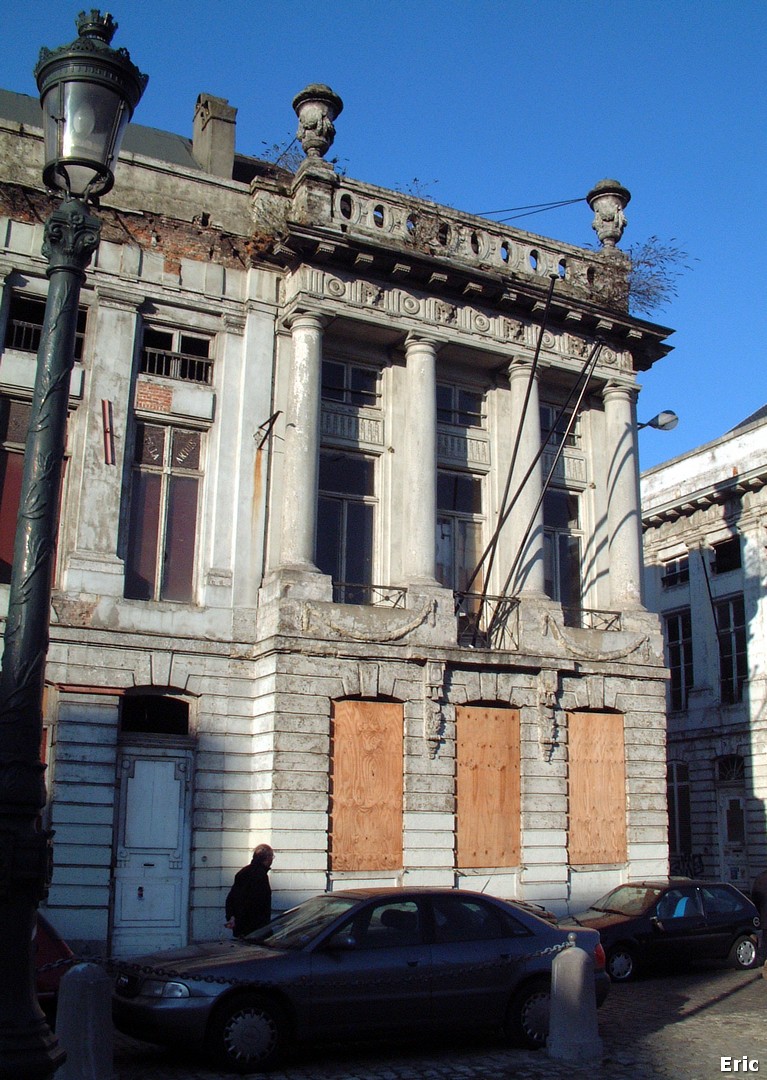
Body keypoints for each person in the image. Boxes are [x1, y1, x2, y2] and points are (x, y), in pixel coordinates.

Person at [225, 844, 274, 937]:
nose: (272, 859)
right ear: (267, 858)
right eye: (272, 856)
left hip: (241, 927)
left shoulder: (243, 872)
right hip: (254, 929)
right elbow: (259, 904)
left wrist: (231, 917)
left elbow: (231, 898)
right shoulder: (260, 876)